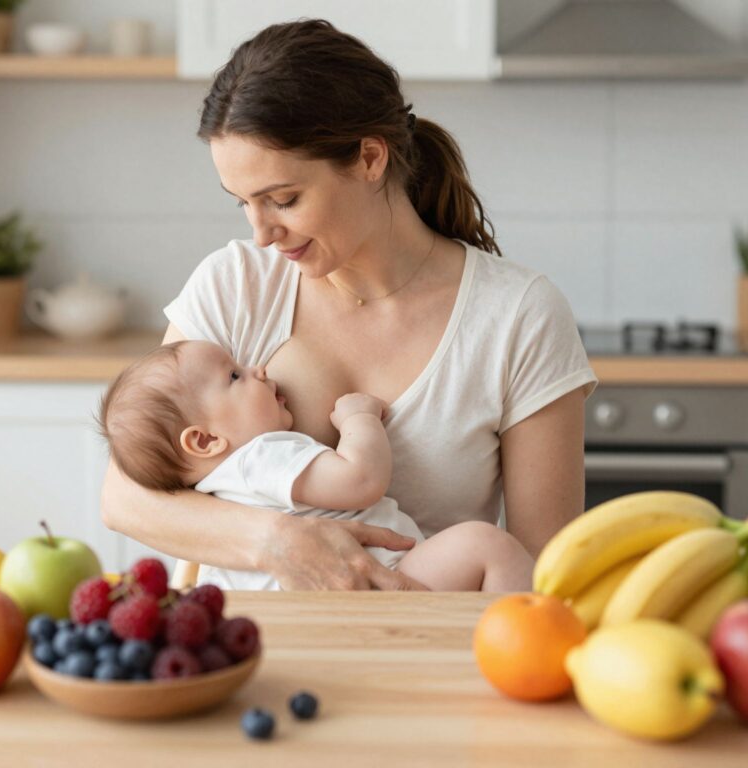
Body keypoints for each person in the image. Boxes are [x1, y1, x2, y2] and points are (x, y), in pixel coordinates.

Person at [100, 19, 597, 590]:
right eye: (243, 203)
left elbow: (550, 575)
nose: (262, 234)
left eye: (283, 199)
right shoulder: (236, 283)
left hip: (427, 657)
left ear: (368, 158)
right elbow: (125, 498)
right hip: (251, 658)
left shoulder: (519, 317)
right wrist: (279, 544)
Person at [98, 339, 533, 591]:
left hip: (317, 608)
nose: (259, 369)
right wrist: (358, 419)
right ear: (207, 440)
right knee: (488, 546)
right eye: (235, 377)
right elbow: (360, 480)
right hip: (381, 583)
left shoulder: (216, 489)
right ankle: (512, 652)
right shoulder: (260, 458)